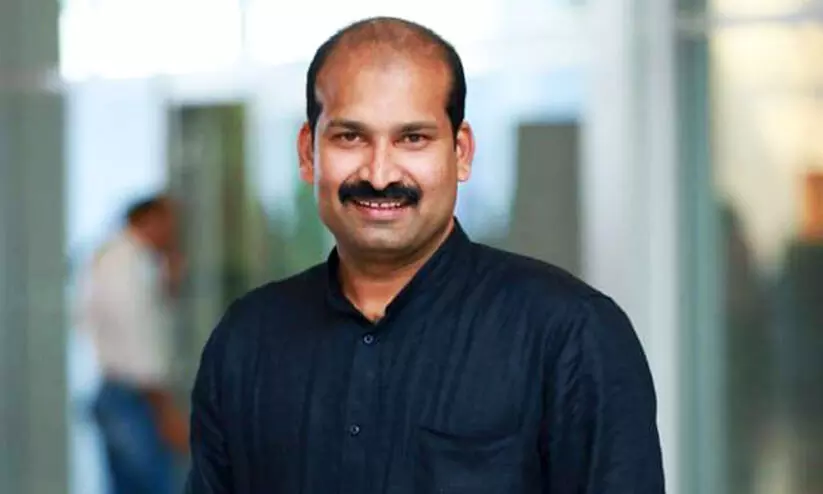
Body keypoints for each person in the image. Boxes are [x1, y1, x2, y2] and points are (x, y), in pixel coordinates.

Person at [186, 17, 664, 494]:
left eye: (412, 138)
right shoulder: (247, 340)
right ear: (309, 153)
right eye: (350, 137)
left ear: (461, 152)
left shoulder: (569, 336)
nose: (379, 174)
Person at [80, 195, 188, 494]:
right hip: (135, 399)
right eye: (170, 223)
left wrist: (168, 285)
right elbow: (138, 341)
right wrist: (165, 410)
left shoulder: (113, 259)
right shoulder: (128, 263)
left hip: (122, 394)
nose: (174, 233)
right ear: (150, 220)